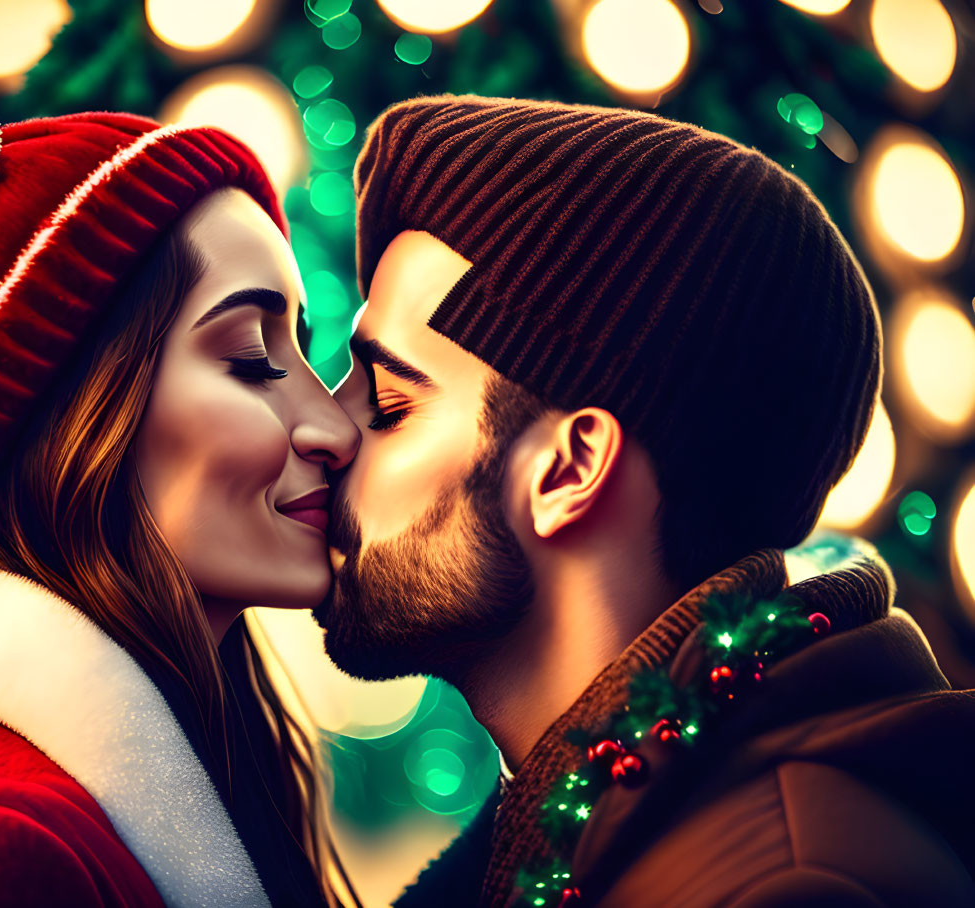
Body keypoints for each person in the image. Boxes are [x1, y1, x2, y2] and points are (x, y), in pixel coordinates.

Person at [316, 94, 975, 907]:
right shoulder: (572, 831)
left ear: (568, 470)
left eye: (387, 404)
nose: (322, 430)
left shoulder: (785, 887)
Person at [0, 95, 360, 906]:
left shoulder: (185, 766)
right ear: (69, 420)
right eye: (251, 358)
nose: (330, 426)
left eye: (303, 351)